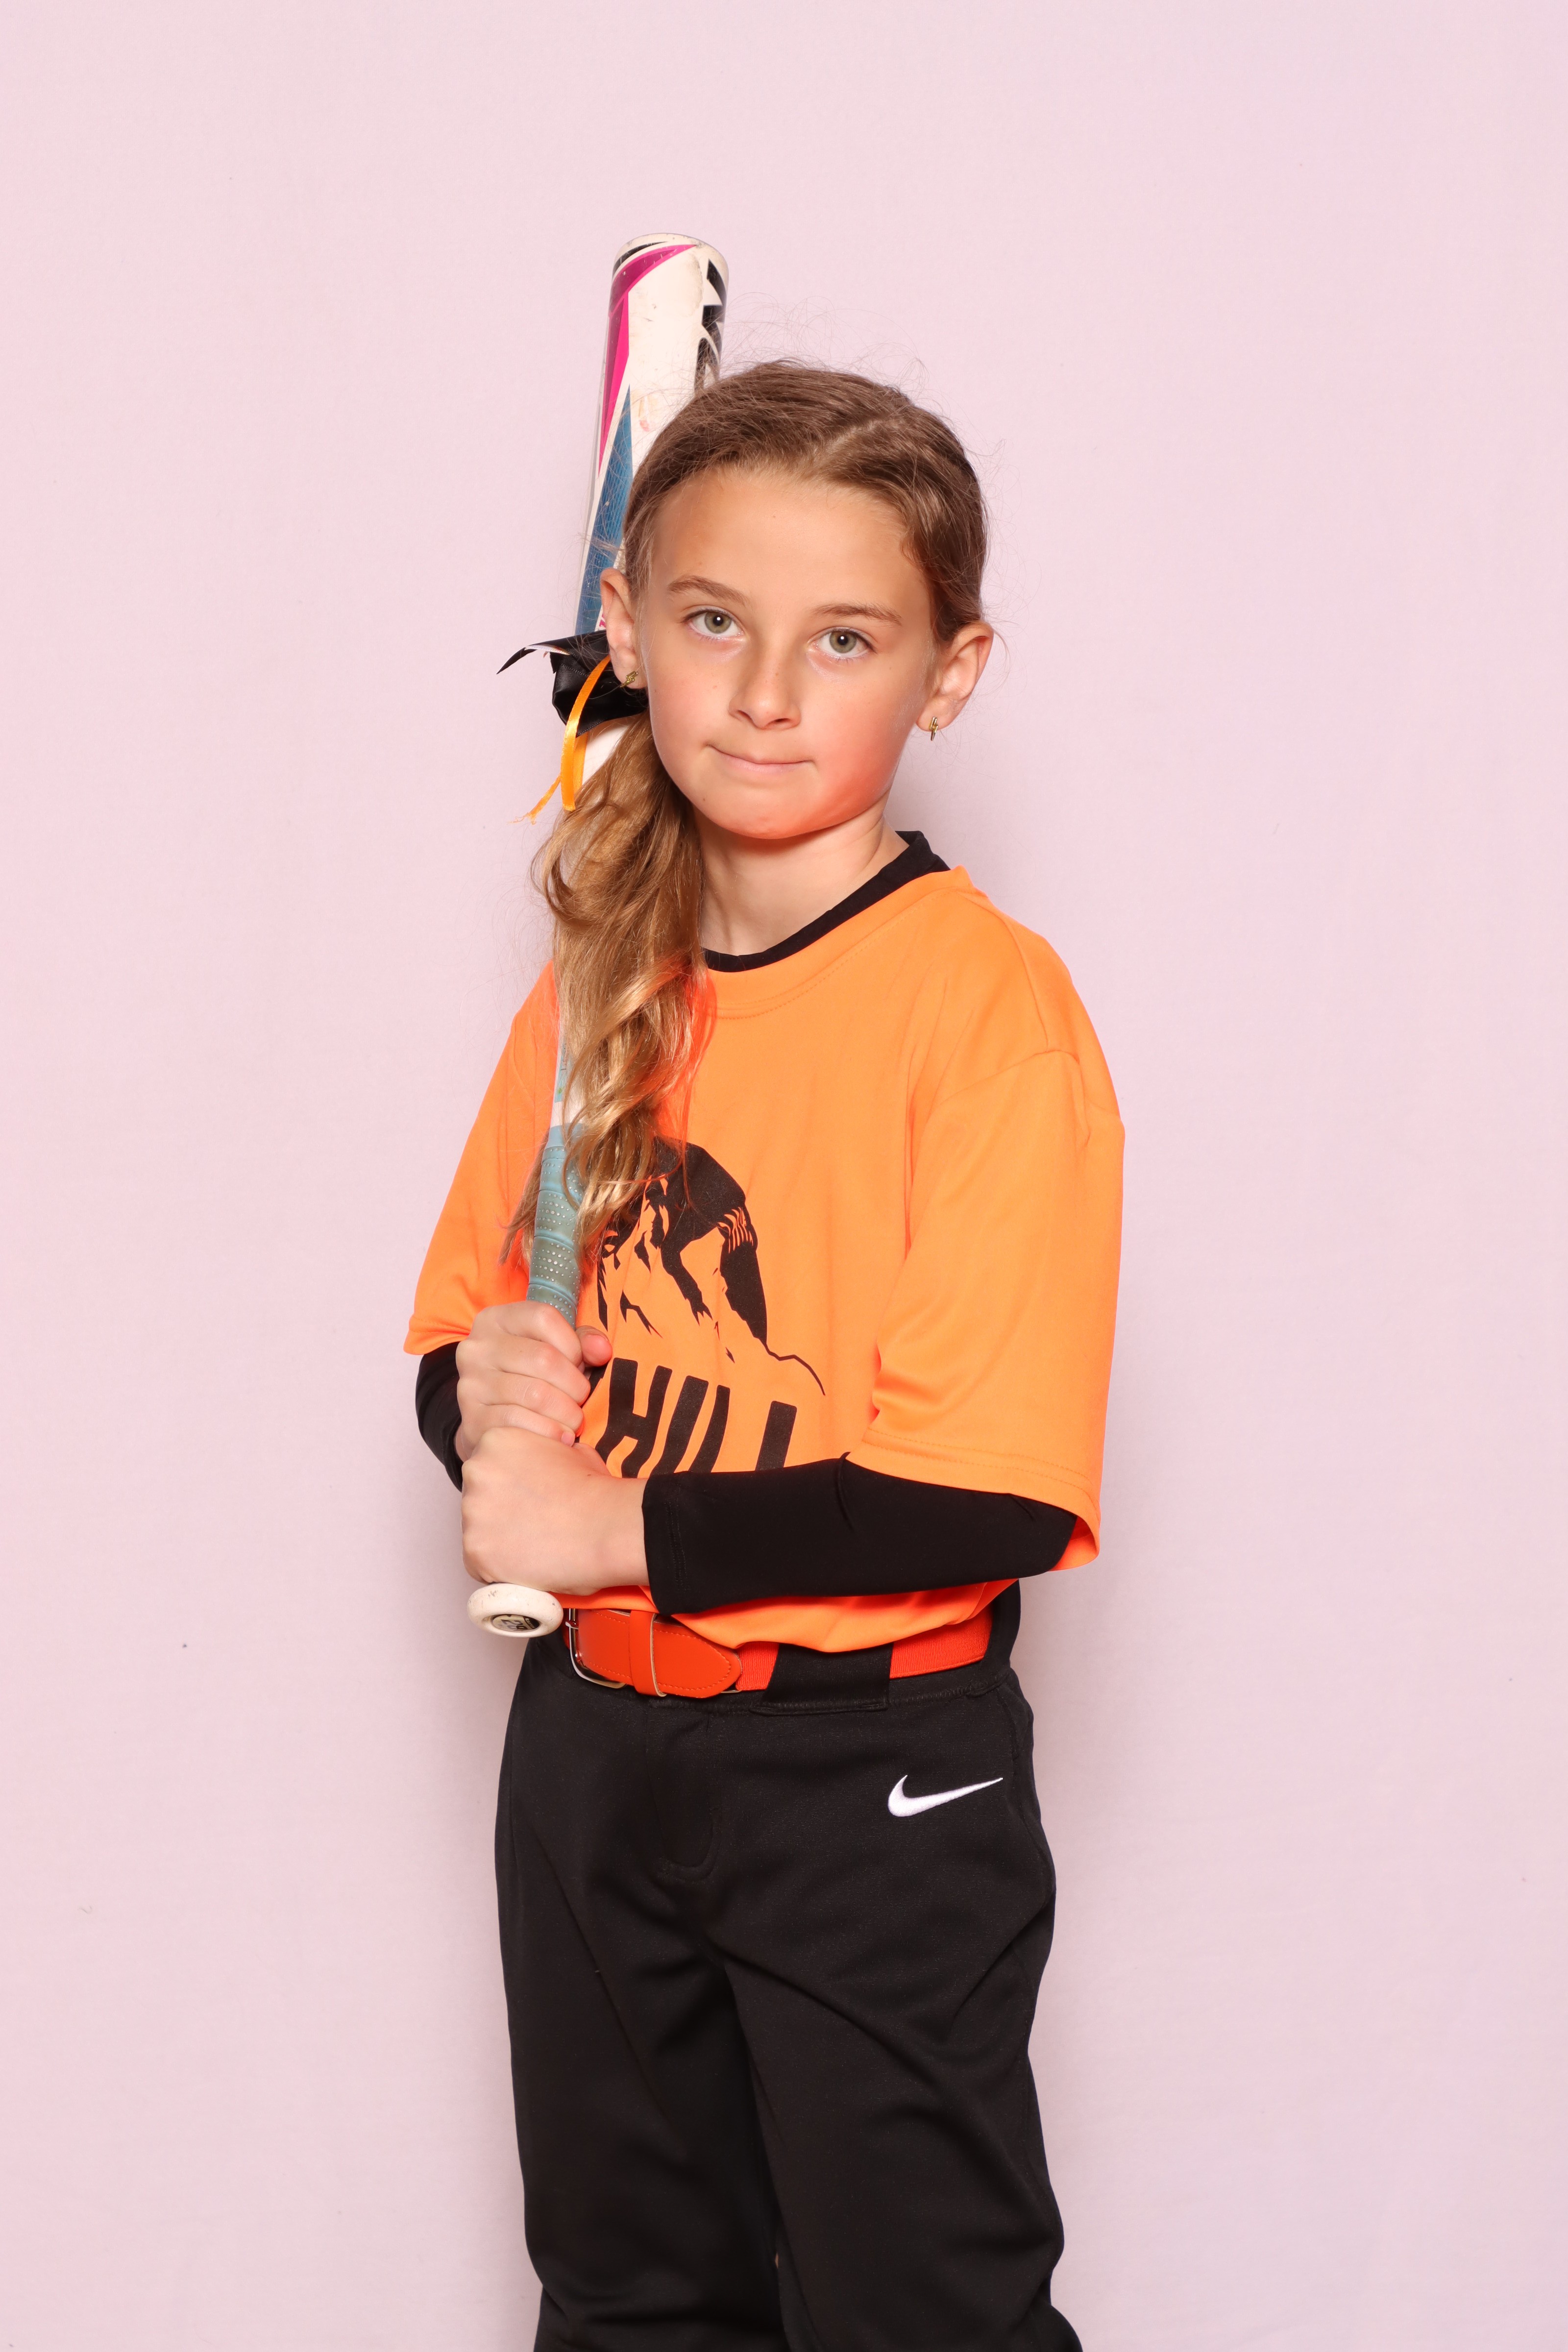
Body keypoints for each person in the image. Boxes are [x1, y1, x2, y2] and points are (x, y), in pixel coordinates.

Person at [407, 363, 1123, 2352]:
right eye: (714, 621)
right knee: (630, 2300)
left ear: (950, 673)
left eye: (846, 641)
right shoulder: (604, 980)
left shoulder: (983, 1011)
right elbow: (464, 1337)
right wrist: (484, 1407)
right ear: (626, 631)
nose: (767, 694)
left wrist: (605, 1523)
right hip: (591, 1751)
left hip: (864, 1775)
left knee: (921, 2315)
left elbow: (985, 1489)